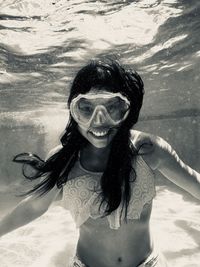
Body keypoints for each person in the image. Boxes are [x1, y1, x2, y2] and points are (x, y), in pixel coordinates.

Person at [0, 59, 199, 267]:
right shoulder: (65, 161)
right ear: (73, 112)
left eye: (112, 107)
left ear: (127, 109)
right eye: (86, 108)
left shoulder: (148, 150)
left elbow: (195, 184)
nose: (98, 121)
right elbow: (33, 206)